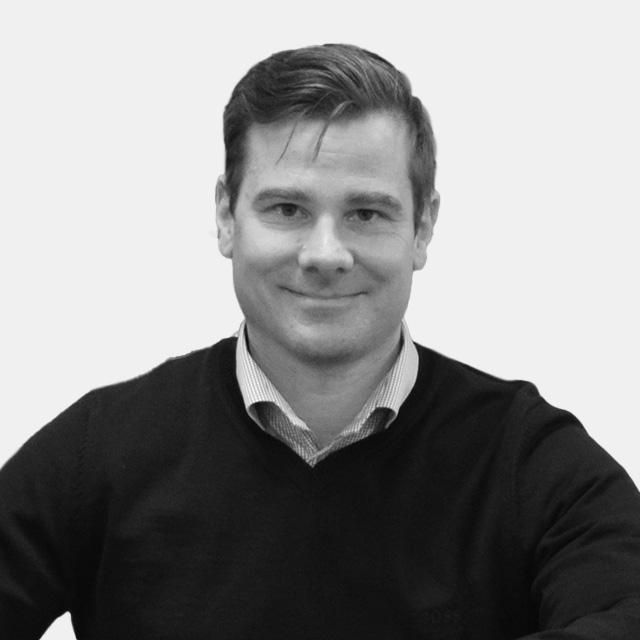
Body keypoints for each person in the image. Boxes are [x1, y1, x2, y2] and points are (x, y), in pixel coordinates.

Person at [1, 43, 639, 640]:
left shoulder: (528, 460)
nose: (325, 254)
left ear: (422, 228)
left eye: (366, 213)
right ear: (226, 217)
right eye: (288, 210)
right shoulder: (101, 450)